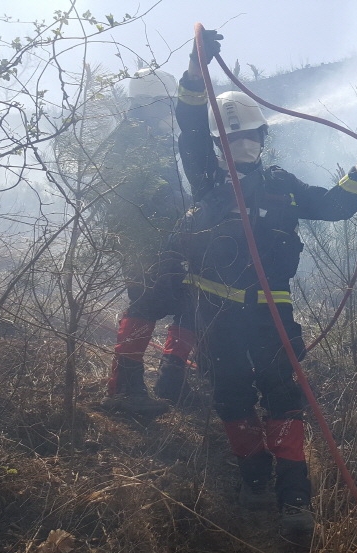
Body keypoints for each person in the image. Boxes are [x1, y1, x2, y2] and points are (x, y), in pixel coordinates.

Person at [172, 30, 357, 540]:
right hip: (219, 320)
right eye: (232, 138)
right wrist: (195, 72)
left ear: (264, 141)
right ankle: (253, 481)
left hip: (272, 317)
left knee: (285, 398)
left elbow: (335, 207)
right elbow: (189, 130)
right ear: (220, 144)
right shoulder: (207, 181)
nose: (241, 145)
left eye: (251, 137)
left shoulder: (283, 186)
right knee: (232, 399)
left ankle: (294, 501)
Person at [99, 68, 197, 417]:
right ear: (149, 102)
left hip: (165, 237)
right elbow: (127, 191)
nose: (170, 111)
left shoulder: (154, 137)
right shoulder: (131, 137)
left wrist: (190, 209)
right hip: (143, 239)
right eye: (167, 104)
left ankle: (172, 379)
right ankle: (124, 388)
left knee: (190, 298)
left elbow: (168, 191)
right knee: (146, 302)